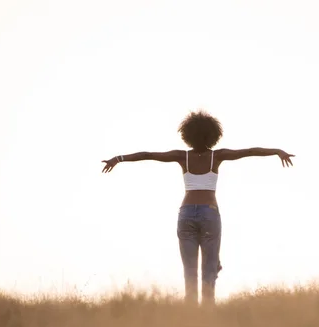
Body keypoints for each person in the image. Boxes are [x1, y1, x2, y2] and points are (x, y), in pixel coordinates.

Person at [101, 110, 294, 305]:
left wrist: (119, 158)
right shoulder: (217, 156)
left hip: (186, 214)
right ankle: (207, 313)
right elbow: (250, 151)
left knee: (189, 269)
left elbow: (149, 155)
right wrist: (277, 151)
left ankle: (190, 314)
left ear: (188, 135)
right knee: (210, 268)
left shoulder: (182, 156)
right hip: (209, 212)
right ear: (213, 135)